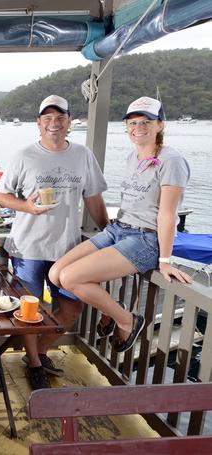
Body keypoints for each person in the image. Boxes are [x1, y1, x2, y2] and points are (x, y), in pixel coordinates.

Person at [49, 96, 191, 355]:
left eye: (146, 122)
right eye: (132, 122)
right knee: (56, 274)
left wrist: (166, 260)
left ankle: (127, 319)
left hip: (144, 239)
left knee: (71, 278)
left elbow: (168, 215)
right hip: (118, 229)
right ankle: (109, 309)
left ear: (160, 125)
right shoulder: (132, 156)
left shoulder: (172, 161)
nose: (138, 128)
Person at [0, 95, 109, 390]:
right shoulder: (24, 156)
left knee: (72, 309)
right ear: (38, 123)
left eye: (59, 118)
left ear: (70, 121)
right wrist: (27, 207)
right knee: (28, 311)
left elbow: (93, 197)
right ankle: (34, 364)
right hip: (28, 248)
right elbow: (0, 195)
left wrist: (109, 232)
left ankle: (40, 351)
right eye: (47, 118)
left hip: (68, 250)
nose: (54, 124)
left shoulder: (83, 155)